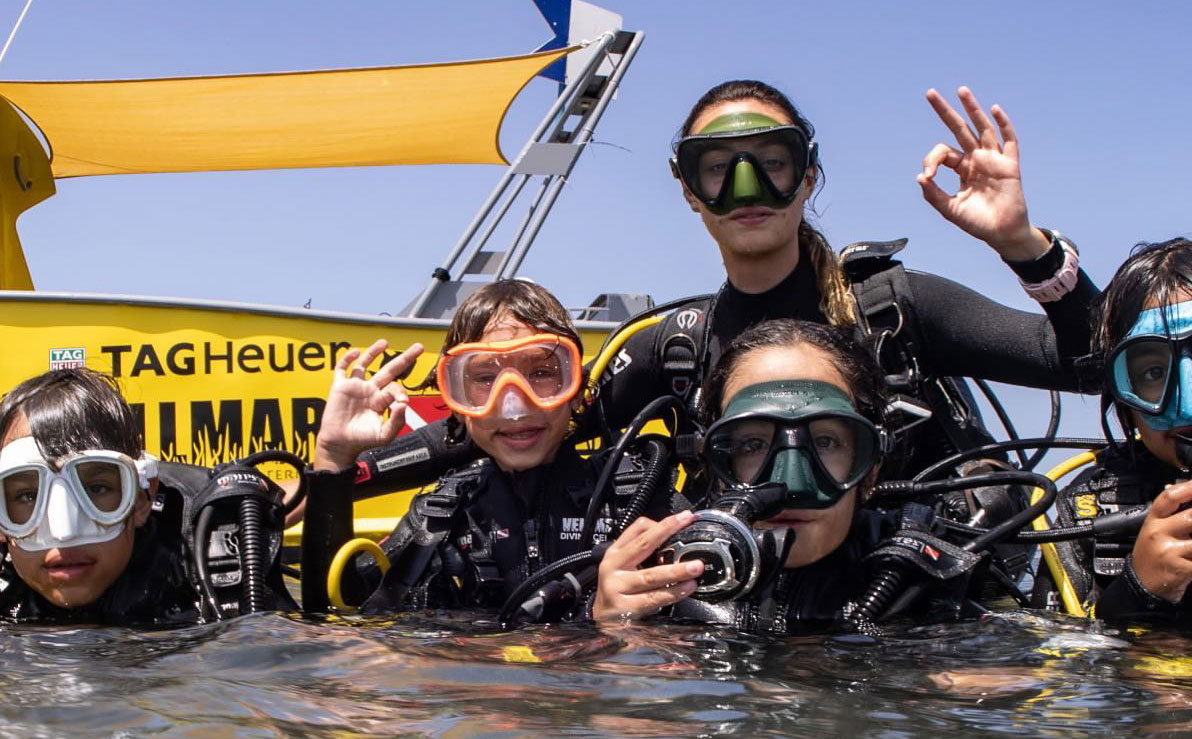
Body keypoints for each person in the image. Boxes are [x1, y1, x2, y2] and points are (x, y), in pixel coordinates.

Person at [594, 80, 1098, 472]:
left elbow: (1092, 366)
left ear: (808, 176)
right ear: (687, 188)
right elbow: (534, 428)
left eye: (772, 163)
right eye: (717, 169)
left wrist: (1023, 245)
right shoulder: (677, 350)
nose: (746, 191)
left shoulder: (893, 313)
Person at [300, 279, 685, 616]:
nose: (513, 405)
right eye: (484, 378)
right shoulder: (442, 516)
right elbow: (336, 616)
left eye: (542, 373)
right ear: (456, 402)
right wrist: (333, 460)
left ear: (577, 391)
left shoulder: (637, 500)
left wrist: (614, 620)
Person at [593, 318, 985, 633]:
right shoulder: (657, 583)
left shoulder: (925, 588)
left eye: (827, 441)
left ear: (871, 466)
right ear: (713, 464)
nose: (791, 484)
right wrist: (612, 630)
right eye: (752, 444)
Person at [1033, 236, 1192, 624]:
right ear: (1125, 406)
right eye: (1153, 372)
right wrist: (1137, 591)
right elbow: (1053, 664)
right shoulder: (1087, 512)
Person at [0, 368, 293, 624]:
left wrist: (331, 467)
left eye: (96, 489)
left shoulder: (196, 557)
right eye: (27, 496)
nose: (64, 534)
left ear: (141, 499)